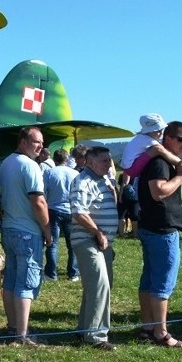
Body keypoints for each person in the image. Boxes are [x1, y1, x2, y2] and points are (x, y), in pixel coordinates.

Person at [137, 120, 182, 349]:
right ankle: (161, 332)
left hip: (153, 228)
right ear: (167, 138)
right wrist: (180, 177)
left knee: (150, 279)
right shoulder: (161, 162)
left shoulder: (161, 160)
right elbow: (158, 191)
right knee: (163, 282)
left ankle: (148, 327)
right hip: (162, 230)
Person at [0, 127, 52, 346]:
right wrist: (48, 231)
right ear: (22, 142)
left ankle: (13, 326)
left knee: (11, 280)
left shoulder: (6, 163)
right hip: (28, 233)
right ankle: (22, 335)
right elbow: (38, 201)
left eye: (41, 142)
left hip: (9, 229)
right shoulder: (30, 166)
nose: (40, 146)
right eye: (35, 142)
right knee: (26, 283)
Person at [69, 146, 120, 350]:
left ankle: (85, 329)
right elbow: (79, 212)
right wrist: (98, 232)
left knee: (96, 286)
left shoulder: (104, 180)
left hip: (102, 242)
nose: (109, 164)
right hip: (89, 240)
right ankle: (96, 336)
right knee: (100, 285)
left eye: (110, 160)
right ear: (90, 162)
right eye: (104, 161)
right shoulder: (83, 181)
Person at [121, 113, 182, 178]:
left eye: (161, 130)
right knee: (158, 149)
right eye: (156, 131)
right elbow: (163, 151)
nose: (160, 133)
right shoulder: (147, 140)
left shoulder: (142, 138)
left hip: (129, 168)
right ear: (148, 132)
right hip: (131, 168)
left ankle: (181, 164)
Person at [42, 149, 80, 282]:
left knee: (52, 243)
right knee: (72, 244)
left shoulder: (49, 173)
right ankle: (73, 273)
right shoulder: (75, 173)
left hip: (53, 209)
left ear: (54, 159)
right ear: (66, 158)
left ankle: (51, 273)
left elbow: (44, 192)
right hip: (70, 210)